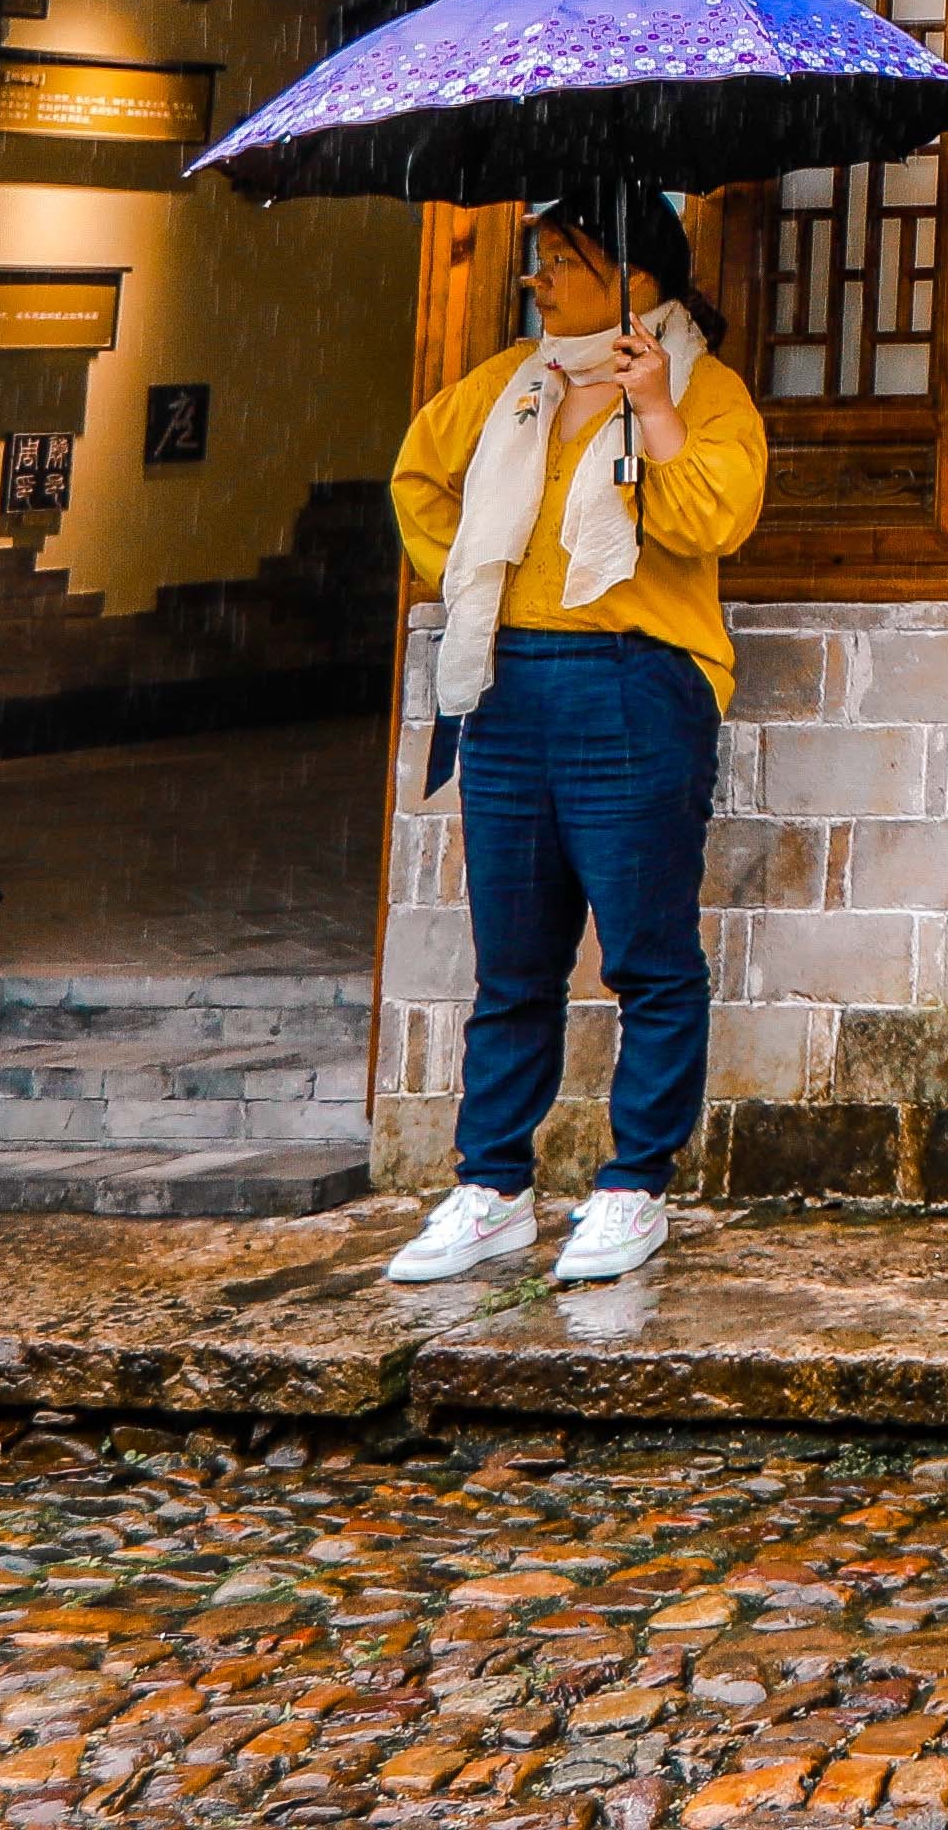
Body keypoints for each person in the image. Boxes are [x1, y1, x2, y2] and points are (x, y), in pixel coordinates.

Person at [379, 184, 765, 1290]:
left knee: (646, 956)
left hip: (636, 681)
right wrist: (467, 570)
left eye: (563, 258)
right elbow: (419, 472)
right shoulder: (514, 384)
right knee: (514, 961)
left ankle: (634, 1184)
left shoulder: (707, 389)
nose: (537, 278)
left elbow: (706, 519)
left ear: (635, 276)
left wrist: (654, 409)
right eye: (538, 258)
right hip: (507, 685)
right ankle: (492, 1184)